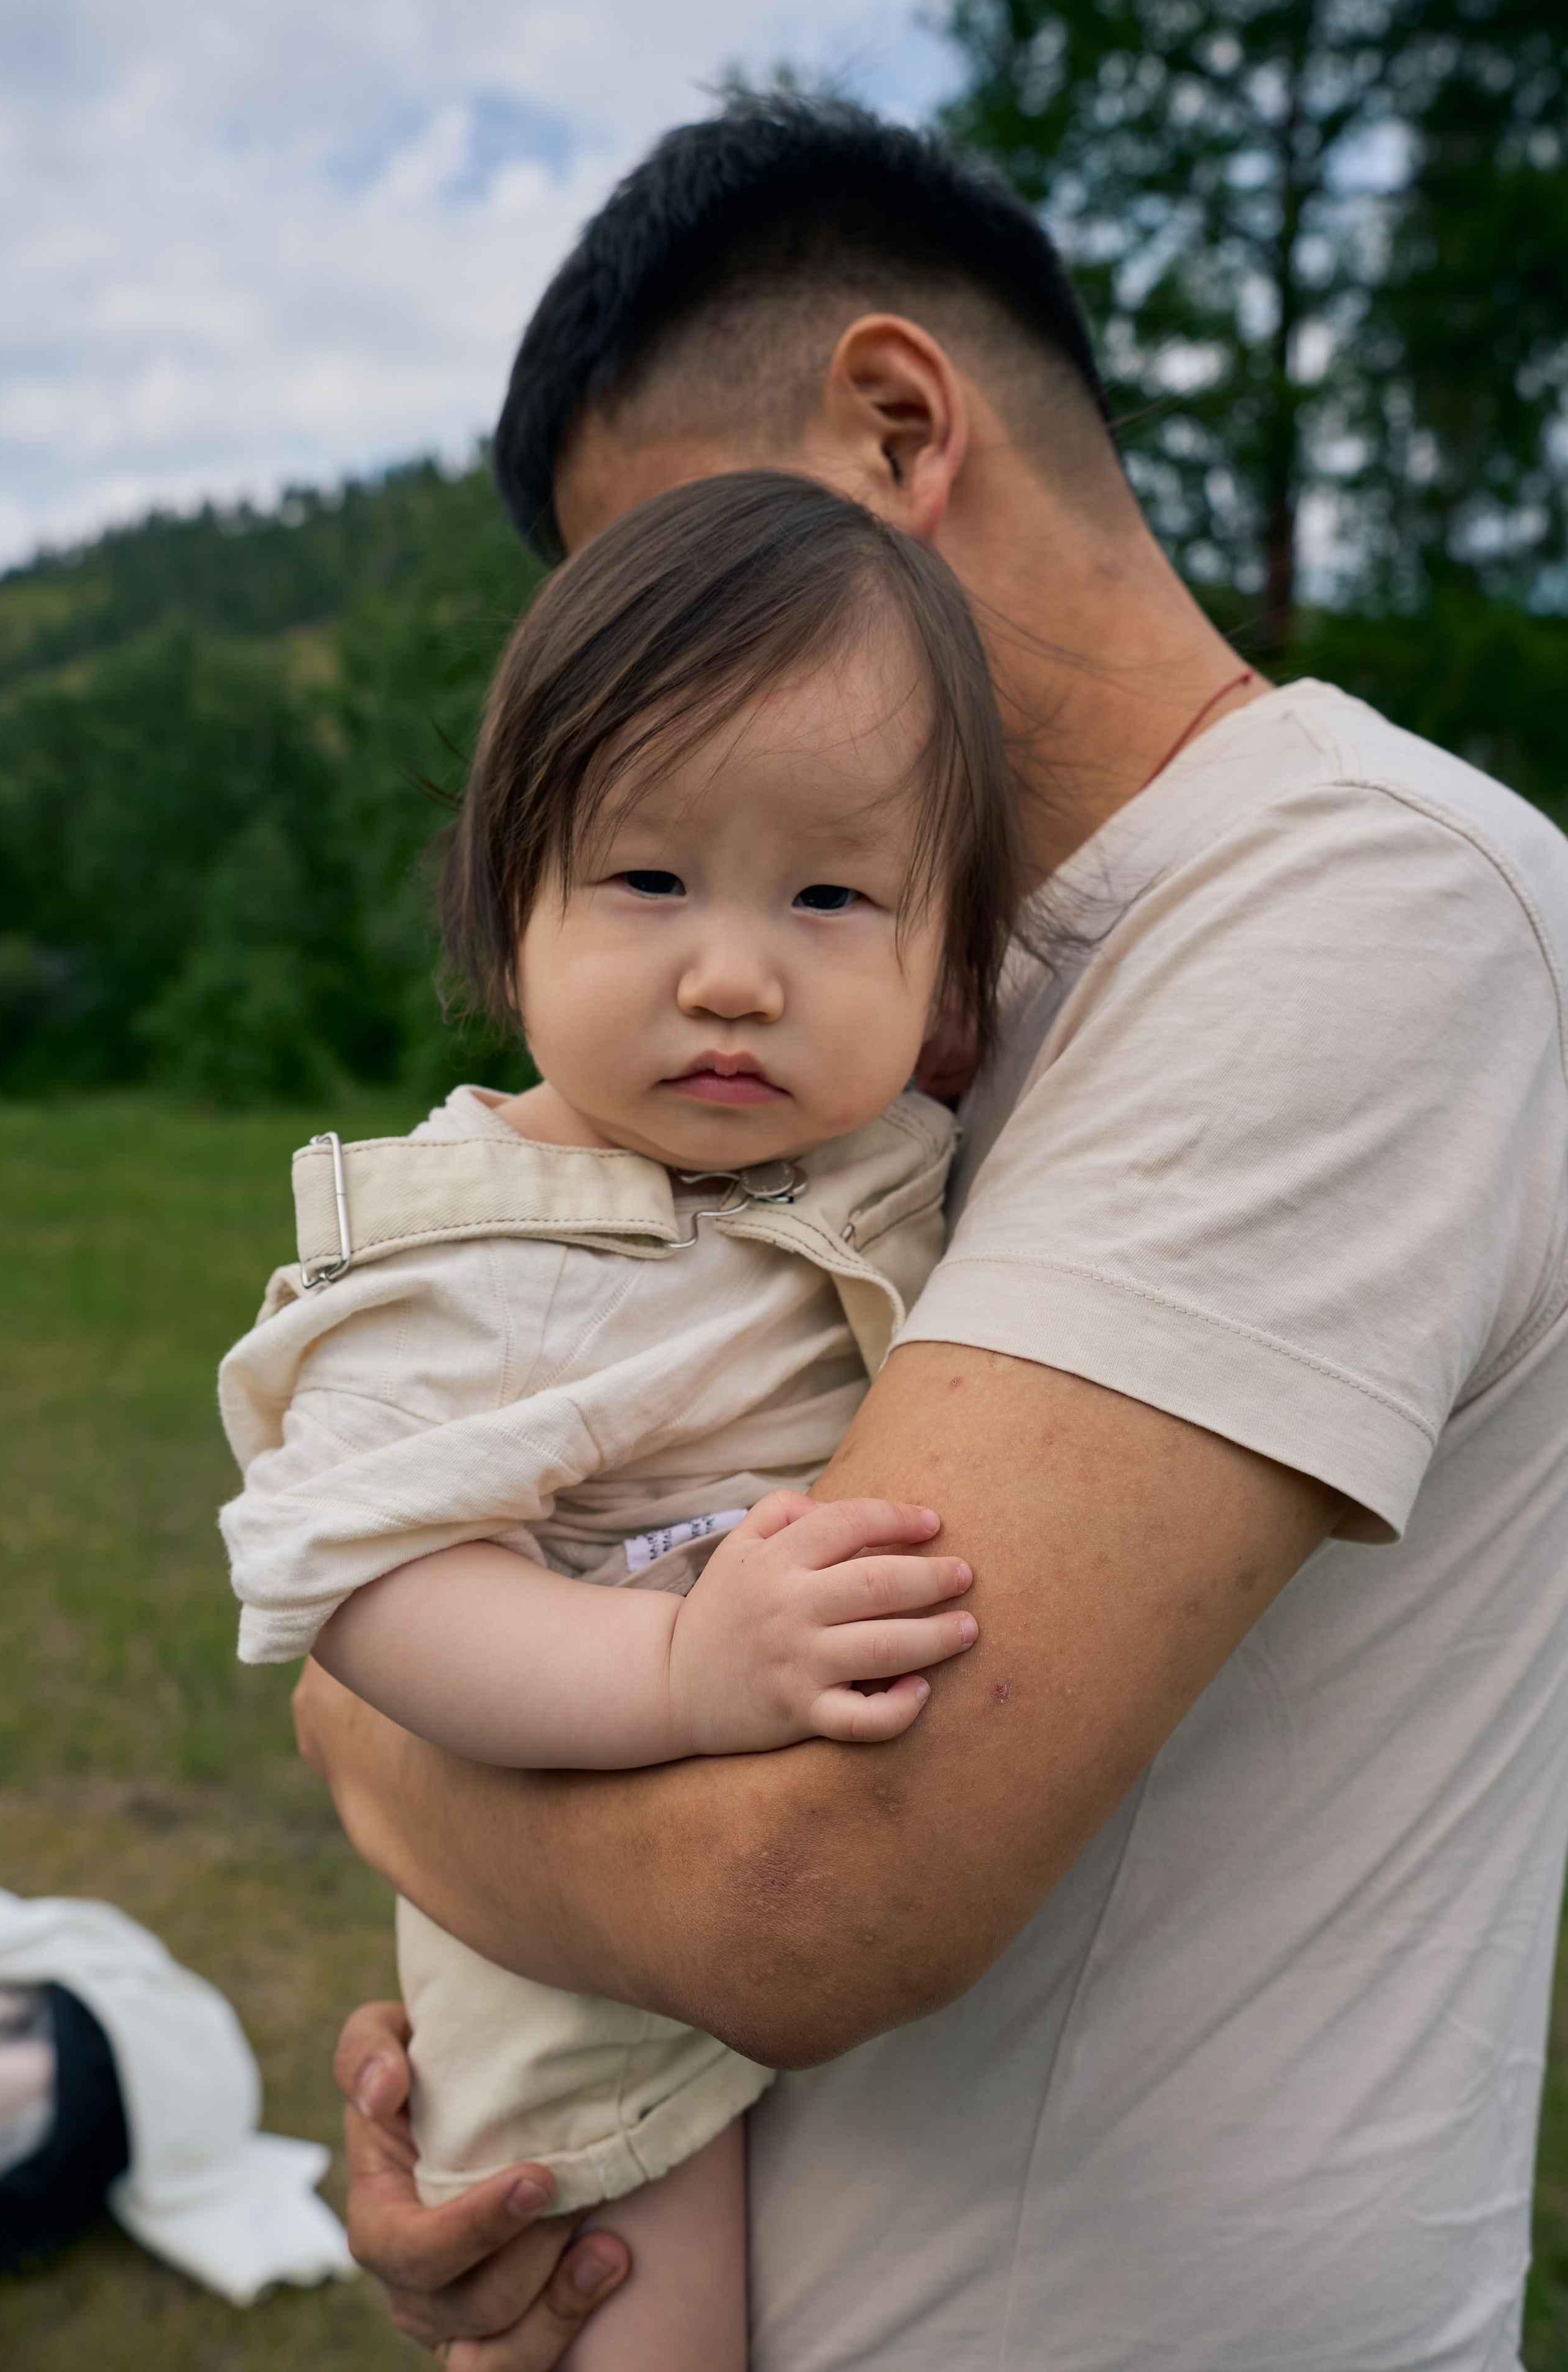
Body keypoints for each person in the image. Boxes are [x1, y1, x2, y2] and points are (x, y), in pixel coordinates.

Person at [293, 96, 1568, 2371]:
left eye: (688, 571)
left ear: (895, 429)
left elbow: (804, 1894)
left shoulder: (1360, 902)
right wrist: (539, 2108)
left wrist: (363, 1740)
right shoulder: (863, 1052)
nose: (649, 690)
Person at [219, 468, 1031, 2368]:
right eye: (651, 880)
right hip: (569, 1968)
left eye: (832, 897)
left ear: (945, 972)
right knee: (631, 2322)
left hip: (867, 1967)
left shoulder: (887, 1151)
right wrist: (679, 1675)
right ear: (513, 912)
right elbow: (366, 1590)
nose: (734, 975)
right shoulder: (478, 1242)